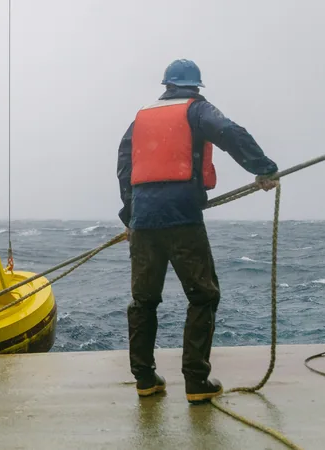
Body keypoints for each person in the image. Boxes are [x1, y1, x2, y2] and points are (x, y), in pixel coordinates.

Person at [116, 59, 280, 404]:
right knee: (203, 296)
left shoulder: (140, 118)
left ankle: (145, 379)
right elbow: (230, 133)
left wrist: (131, 215)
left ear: (166, 85)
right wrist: (263, 168)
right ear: (195, 86)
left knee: (143, 301)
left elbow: (124, 165)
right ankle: (196, 381)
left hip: (144, 223)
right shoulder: (198, 111)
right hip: (182, 219)